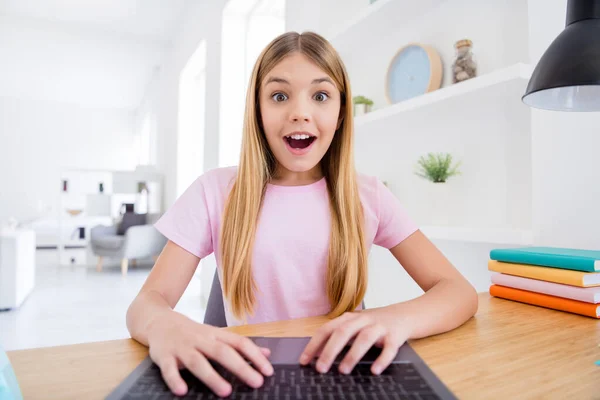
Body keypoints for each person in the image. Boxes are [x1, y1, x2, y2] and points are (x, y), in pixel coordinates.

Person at [126, 31, 478, 398]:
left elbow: (459, 293)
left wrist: (396, 320)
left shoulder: (369, 195)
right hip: (250, 379)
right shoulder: (213, 192)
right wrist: (165, 325)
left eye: (321, 96)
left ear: (341, 113)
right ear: (258, 112)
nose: (299, 112)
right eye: (279, 96)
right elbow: (146, 303)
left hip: (342, 376)